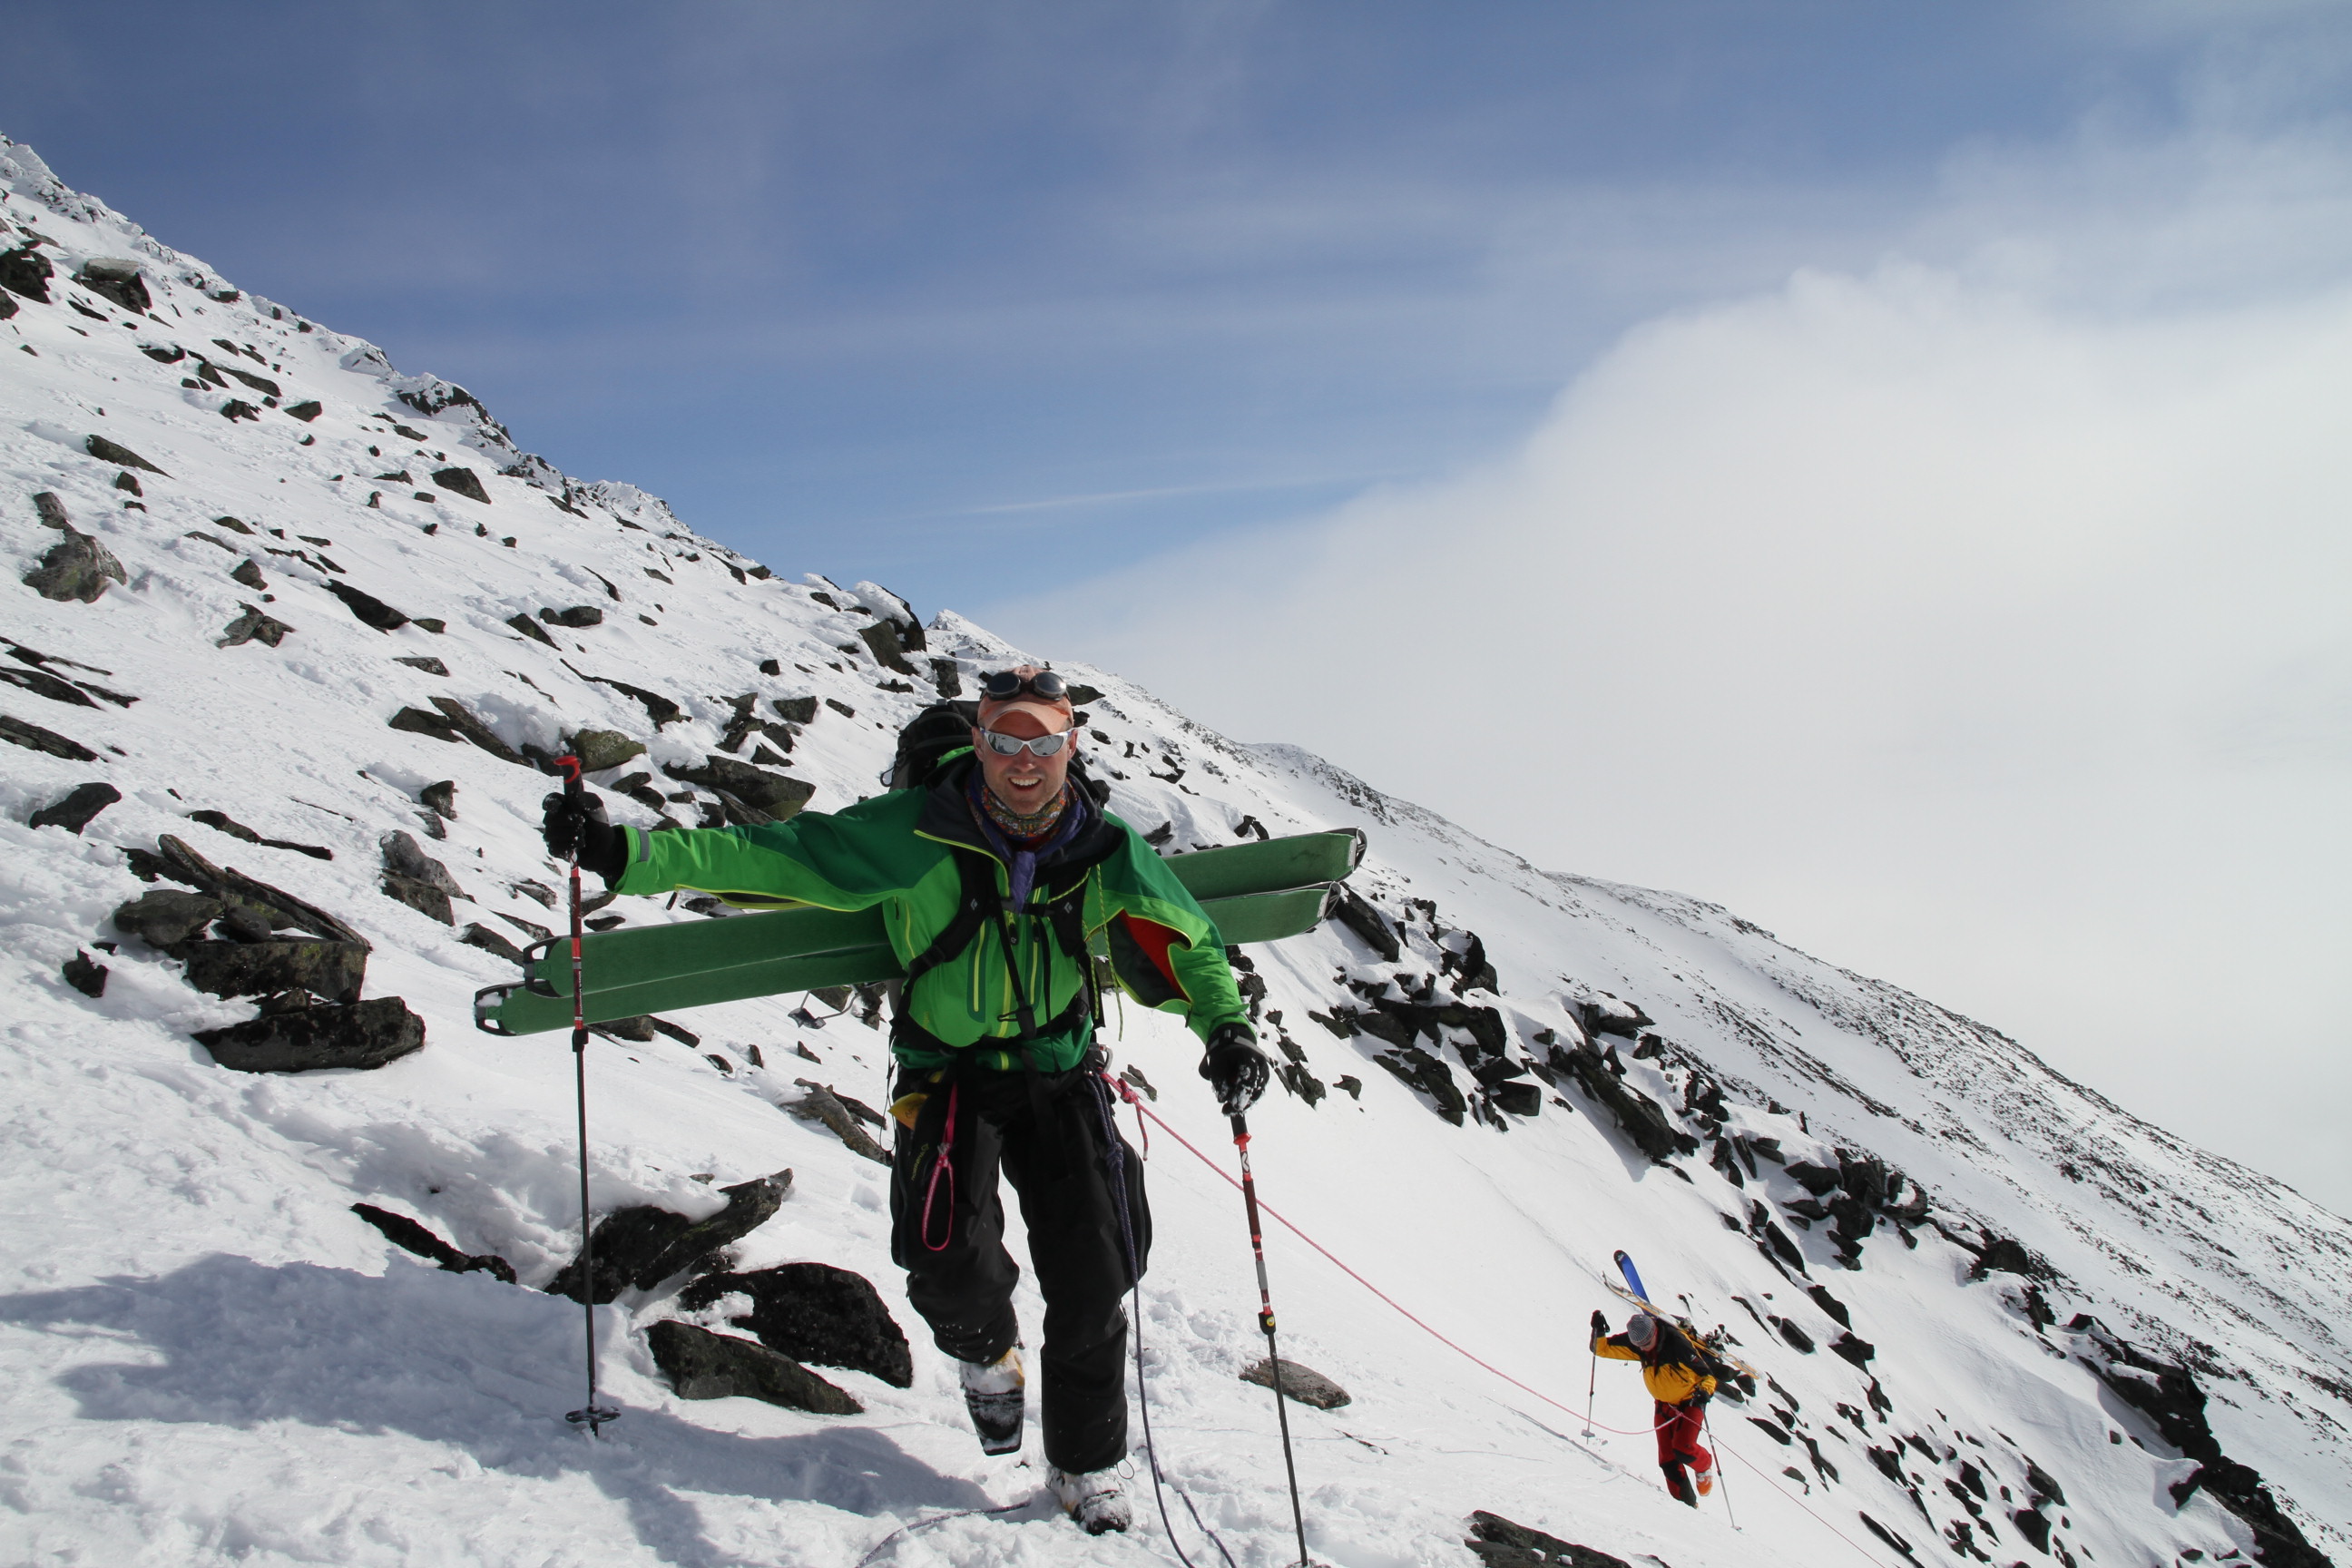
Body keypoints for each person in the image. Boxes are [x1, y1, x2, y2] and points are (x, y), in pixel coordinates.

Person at [544, 664, 1269, 1535]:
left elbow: (1187, 938)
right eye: (1006, 740)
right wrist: (627, 855)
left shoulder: (1103, 846)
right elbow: (781, 856)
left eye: (1043, 741)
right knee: (946, 1265)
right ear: (980, 743)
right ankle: (985, 1359)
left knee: (1096, 1275)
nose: (1024, 760)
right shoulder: (914, 829)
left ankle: (1085, 1465)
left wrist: (1225, 1029)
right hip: (949, 1073)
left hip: (1062, 1071)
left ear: (1070, 745)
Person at [1591, 1308, 1728, 1506]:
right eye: (1639, 1345)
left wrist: (1704, 1394)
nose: (1644, 1349)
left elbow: (1707, 1376)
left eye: (1646, 1343)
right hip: (1663, 1405)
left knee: (1684, 1448)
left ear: (1654, 1332)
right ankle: (1685, 1506)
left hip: (1690, 1401)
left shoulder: (1677, 1344)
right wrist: (1599, 1331)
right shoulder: (1639, 1343)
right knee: (1668, 1461)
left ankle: (1704, 1465)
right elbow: (1601, 1349)